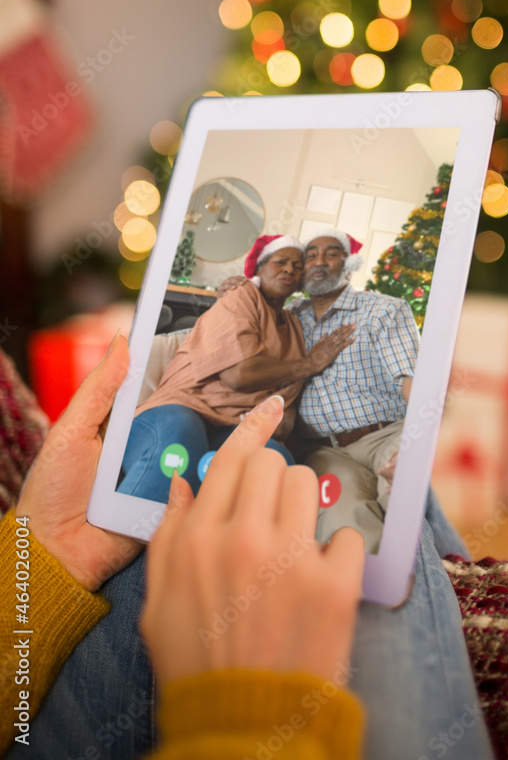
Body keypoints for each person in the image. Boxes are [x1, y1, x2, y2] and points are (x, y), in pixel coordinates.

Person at [0, 336, 367, 758]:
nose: (291, 268)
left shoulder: (288, 325)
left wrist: (43, 552)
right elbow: (234, 371)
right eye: (282, 262)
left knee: (277, 480)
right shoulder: (241, 318)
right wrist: (248, 721)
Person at [118, 233, 354, 502]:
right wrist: (308, 364)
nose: (290, 268)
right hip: (183, 407)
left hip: (235, 426)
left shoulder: (294, 323)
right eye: (280, 262)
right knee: (181, 438)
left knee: (275, 461)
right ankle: (133, 536)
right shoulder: (240, 297)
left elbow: (286, 398)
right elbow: (238, 375)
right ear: (259, 269)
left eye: (298, 266)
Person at [292, 229, 420, 552]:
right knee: (345, 531)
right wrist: (240, 287)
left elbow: (410, 378)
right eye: (310, 255)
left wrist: (418, 441)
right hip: (328, 452)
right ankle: (368, 596)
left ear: (349, 265)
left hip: (388, 434)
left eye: (331, 253)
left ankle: (440, 577)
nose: (319, 261)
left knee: (407, 484)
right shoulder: (289, 318)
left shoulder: (383, 310)